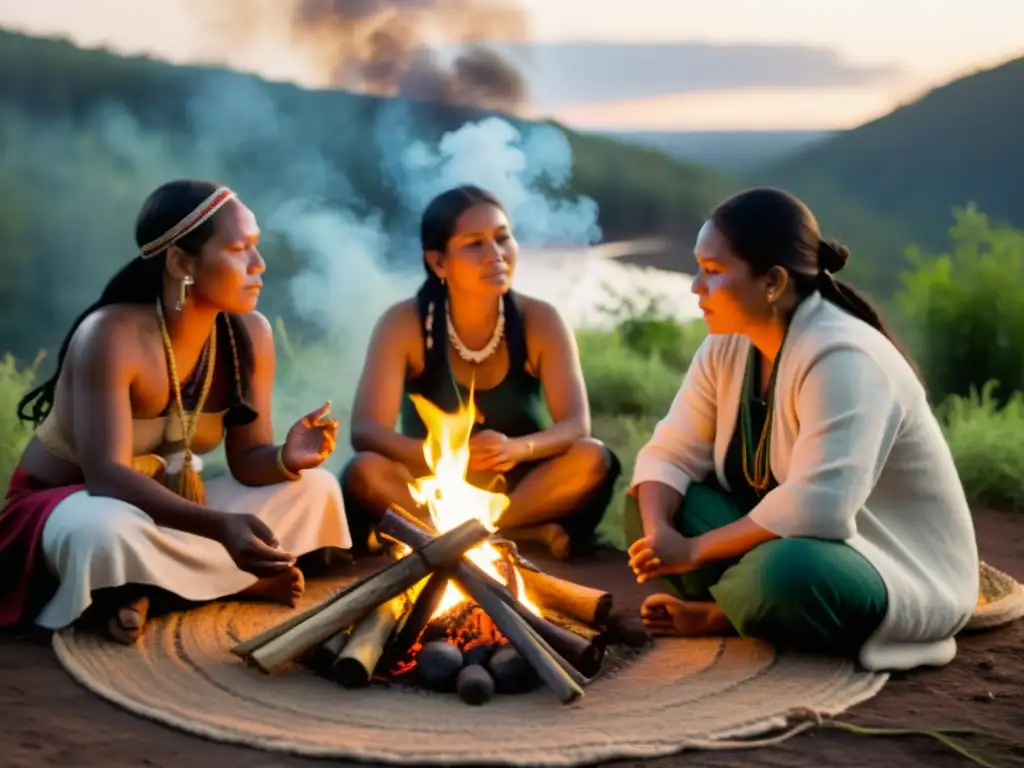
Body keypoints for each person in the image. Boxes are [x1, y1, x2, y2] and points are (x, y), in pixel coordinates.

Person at [625, 187, 979, 672]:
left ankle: (727, 610)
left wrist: (691, 550)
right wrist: (662, 532)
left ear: (772, 282)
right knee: (651, 506)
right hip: (777, 538)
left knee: (785, 576)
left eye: (712, 272)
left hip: (882, 563)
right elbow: (671, 451)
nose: (695, 287)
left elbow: (820, 507)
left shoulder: (844, 357)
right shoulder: (729, 346)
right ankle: (751, 602)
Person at [0, 180, 352, 644]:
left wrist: (286, 458)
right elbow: (105, 475)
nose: (258, 265)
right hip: (69, 505)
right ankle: (222, 582)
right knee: (102, 532)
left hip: (176, 508)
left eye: (256, 247)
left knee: (316, 488)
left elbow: (248, 460)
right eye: (239, 249)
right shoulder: (110, 335)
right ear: (181, 262)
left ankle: (149, 590)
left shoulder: (250, 334)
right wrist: (219, 527)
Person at [341, 185, 620, 559]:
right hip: (432, 486)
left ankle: (459, 536)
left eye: (503, 238)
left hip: (521, 490)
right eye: (475, 244)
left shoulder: (540, 321)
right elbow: (366, 431)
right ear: (439, 263)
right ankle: (522, 533)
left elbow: (574, 426)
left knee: (592, 458)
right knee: (366, 471)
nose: (496, 255)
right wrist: (447, 458)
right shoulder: (404, 324)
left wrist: (518, 449)